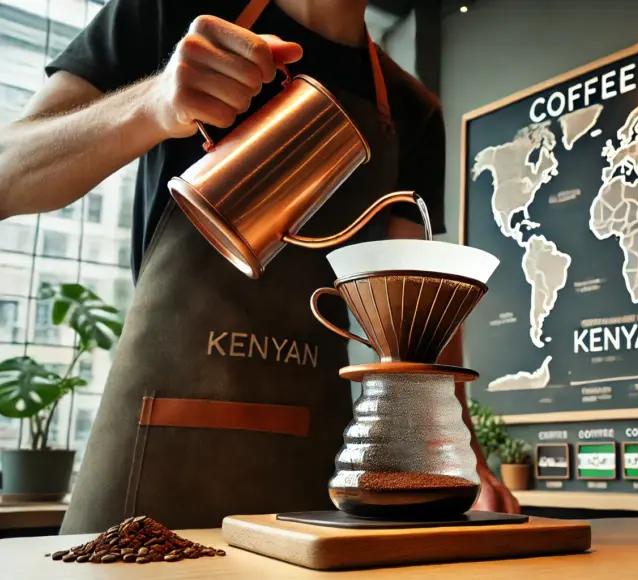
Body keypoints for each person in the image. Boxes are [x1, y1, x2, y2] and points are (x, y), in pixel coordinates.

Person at [0, 0, 519, 533]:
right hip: (155, 445)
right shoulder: (169, 13)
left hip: (316, 457)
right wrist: (152, 104)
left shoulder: (411, 110)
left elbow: (418, 303)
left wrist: (463, 455)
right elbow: (7, 174)